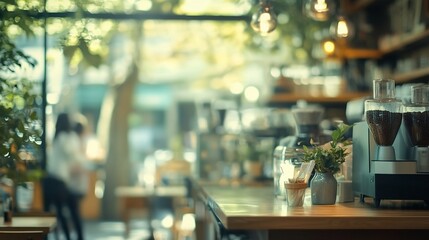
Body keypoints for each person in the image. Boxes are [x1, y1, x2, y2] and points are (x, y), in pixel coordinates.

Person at [43, 112, 88, 240]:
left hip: (50, 180)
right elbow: (73, 156)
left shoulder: (57, 138)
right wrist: (83, 160)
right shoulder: (67, 138)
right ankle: (70, 237)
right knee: (67, 212)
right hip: (60, 182)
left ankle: (59, 236)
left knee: (54, 212)